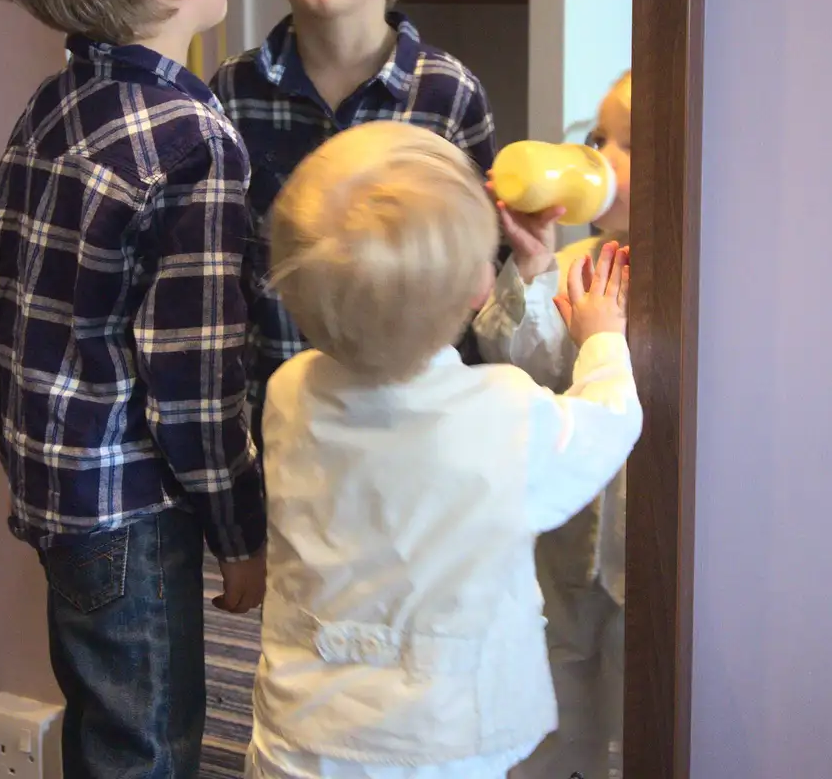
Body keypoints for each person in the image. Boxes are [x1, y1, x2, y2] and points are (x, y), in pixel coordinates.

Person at [0, 0, 265, 779]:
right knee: (148, 735)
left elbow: (9, 304)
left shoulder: (53, 103)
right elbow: (192, 379)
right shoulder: (192, 139)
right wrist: (239, 529)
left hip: (58, 486)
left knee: (103, 706)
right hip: (135, 504)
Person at [247, 121, 643, 778]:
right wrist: (603, 340)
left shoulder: (289, 392)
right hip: (445, 739)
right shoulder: (501, 412)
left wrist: (539, 271)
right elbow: (605, 426)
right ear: (474, 291)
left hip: (302, 732)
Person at [210, 0, 497, 441]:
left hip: (420, 421)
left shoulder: (447, 94)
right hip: (283, 420)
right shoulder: (231, 93)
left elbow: (478, 268)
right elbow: (222, 266)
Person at [474, 71, 635, 779]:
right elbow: (525, 365)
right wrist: (535, 263)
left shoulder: (705, 271)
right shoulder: (579, 263)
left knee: (637, 703)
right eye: (597, 137)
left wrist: (610, 337)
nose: (599, 156)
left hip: (643, 553)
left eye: (626, 144)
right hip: (570, 545)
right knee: (557, 690)